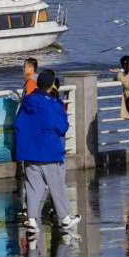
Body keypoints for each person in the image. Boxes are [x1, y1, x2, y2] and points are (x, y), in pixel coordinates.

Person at [15, 71, 81, 236]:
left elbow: (18, 124)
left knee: (33, 187)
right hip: (49, 152)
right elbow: (62, 128)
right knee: (57, 185)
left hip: (29, 152)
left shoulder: (27, 102)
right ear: (52, 85)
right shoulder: (52, 104)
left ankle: (31, 219)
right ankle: (65, 217)